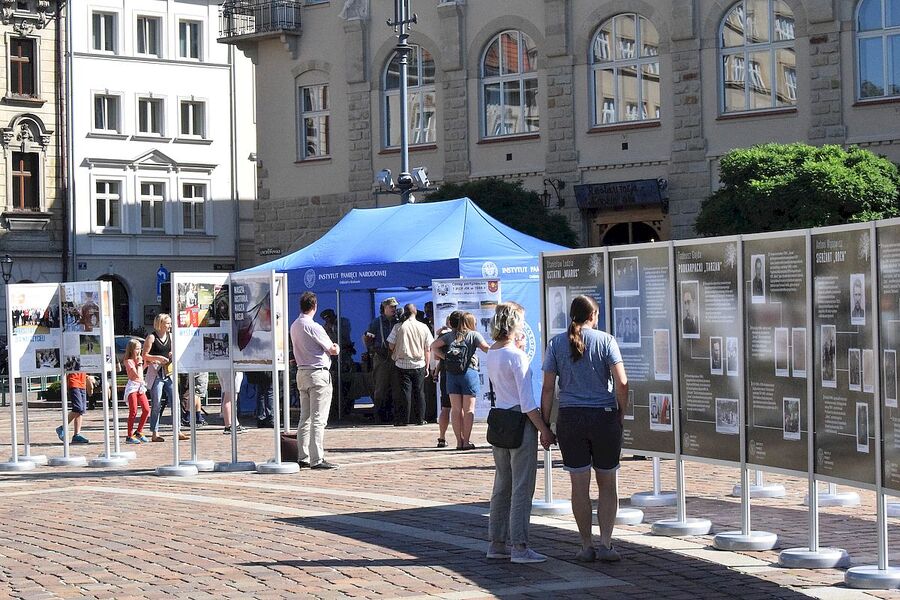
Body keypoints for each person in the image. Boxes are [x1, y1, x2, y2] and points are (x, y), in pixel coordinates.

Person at [541, 295, 628, 563]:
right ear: (593, 315)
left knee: (579, 485)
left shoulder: (556, 343)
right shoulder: (606, 341)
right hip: (603, 417)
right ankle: (606, 543)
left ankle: (585, 545)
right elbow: (622, 382)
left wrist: (545, 423)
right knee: (607, 483)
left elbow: (547, 388)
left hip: (570, 419)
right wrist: (621, 413)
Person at [485, 302, 554, 564]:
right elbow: (527, 403)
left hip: (500, 419)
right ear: (513, 324)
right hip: (519, 422)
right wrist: (544, 430)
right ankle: (520, 546)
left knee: (502, 484)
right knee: (522, 487)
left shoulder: (493, 351)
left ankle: (497, 542)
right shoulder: (517, 356)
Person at [291, 291, 340, 469]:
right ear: (314, 306)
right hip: (317, 373)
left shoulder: (295, 325)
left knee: (305, 417)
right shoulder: (314, 326)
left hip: (302, 371)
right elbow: (331, 349)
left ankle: (303, 455)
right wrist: (337, 347)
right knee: (318, 419)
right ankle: (317, 458)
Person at [431, 311, 490, 450]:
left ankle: (458, 441)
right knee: (468, 410)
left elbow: (433, 346)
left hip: (451, 374)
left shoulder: (450, 335)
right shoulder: (473, 335)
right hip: (469, 373)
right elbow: (486, 348)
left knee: (456, 410)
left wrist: (446, 357)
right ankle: (466, 441)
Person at [388, 304, 434, 426]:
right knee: (419, 392)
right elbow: (428, 348)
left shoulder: (398, 327)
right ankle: (420, 419)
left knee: (404, 392)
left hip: (402, 363)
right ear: (415, 313)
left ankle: (403, 420)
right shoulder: (423, 327)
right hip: (419, 363)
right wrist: (427, 366)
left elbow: (390, 345)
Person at [143, 313, 187, 442]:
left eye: (170, 323)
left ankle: (177, 430)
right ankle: (155, 432)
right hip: (156, 373)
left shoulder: (171, 337)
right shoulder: (151, 337)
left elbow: (176, 352)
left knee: (176, 401)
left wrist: (173, 354)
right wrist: (157, 358)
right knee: (156, 403)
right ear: (160, 323)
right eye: (167, 323)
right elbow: (145, 355)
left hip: (169, 372)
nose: (169, 325)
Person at [364, 297, 401, 424]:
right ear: (384, 308)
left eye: (395, 307)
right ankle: (378, 416)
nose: (394, 309)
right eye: (391, 307)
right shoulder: (376, 322)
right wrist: (373, 350)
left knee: (396, 387)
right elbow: (368, 338)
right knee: (380, 387)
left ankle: (395, 416)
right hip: (381, 356)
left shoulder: (398, 321)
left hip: (396, 357)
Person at [321, 308, 355, 418]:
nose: (328, 321)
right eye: (326, 320)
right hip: (333, 358)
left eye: (329, 318)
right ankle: (334, 409)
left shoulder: (343, 322)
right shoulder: (324, 328)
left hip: (344, 354)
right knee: (334, 384)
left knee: (346, 382)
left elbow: (343, 336)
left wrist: (332, 328)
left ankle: (347, 407)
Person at [122, 339, 150, 444]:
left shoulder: (139, 359)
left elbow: (141, 372)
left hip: (140, 387)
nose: (139, 351)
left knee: (146, 409)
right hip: (133, 387)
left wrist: (146, 363)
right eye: (137, 349)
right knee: (133, 411)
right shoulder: (129, 361)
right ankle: (129, 435)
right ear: (131, 350)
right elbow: (136, 375)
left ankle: (139, 431)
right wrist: (139, 364)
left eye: (140, 348)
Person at [56, 370, 93, 445]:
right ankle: (62, 427)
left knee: (81, 410)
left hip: (82, 382)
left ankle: (77, 435)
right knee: (78, 408)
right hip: (74, 382)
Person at [434, 315, 454, 448]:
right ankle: (463, 438)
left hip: (446, 374)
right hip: (455, 373)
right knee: (460, 409)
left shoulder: (442, 337)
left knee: (446, 408)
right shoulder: (464, 335)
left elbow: (437, 357)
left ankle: (442, 437)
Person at [216, 370, 246, 434]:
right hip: (230, 370)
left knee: (231, 397)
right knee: (229, 398)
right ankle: (228, 426)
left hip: (222, 368)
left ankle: (235, 423)